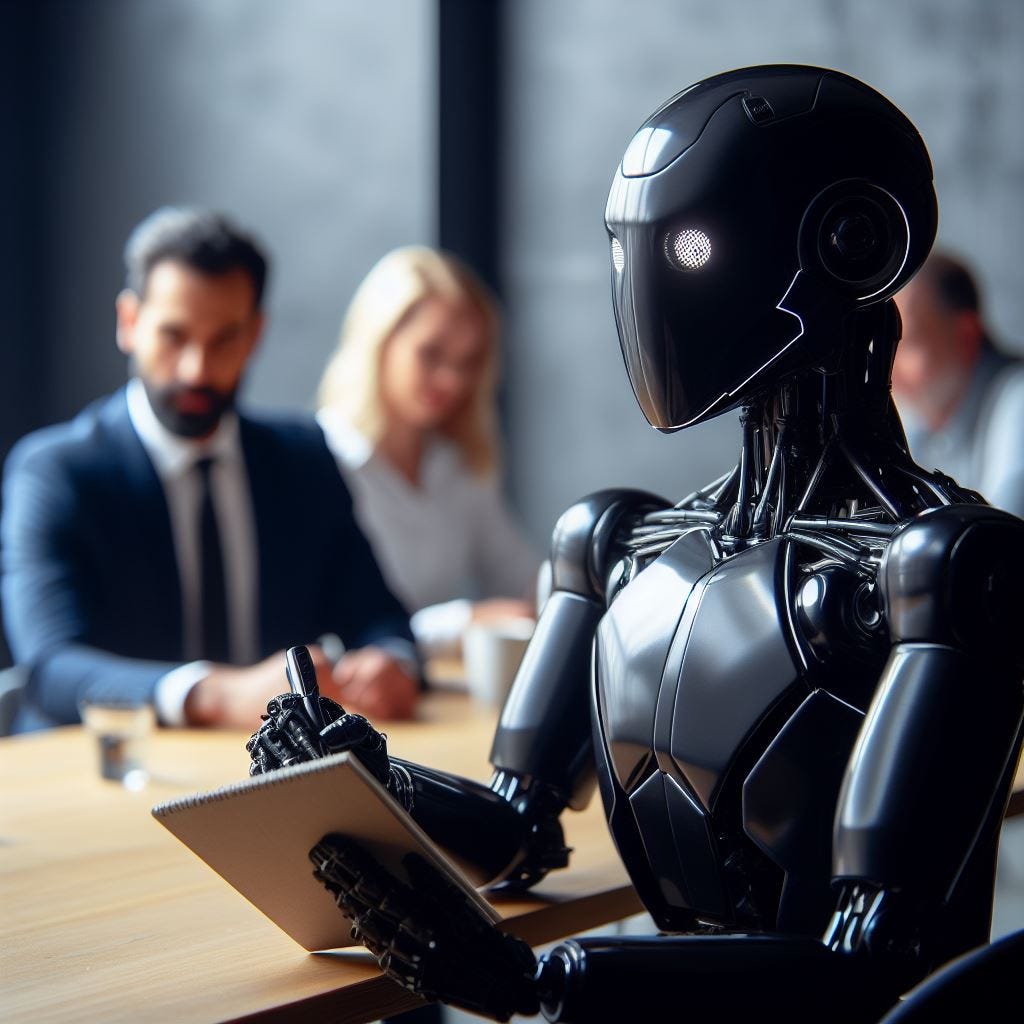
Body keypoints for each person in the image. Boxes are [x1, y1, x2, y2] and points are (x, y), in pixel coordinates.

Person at [249, 66, 1024, 1022]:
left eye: (690, 249)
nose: (648, 288)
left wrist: (535, 985)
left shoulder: (946, 571)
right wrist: (364, 775)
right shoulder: (616, 542)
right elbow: (516, 831)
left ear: (849, 242)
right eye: (631, 252)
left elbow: (876, 963)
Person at [1, 207, 421, 733]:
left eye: (224, 339)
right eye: (174, 336)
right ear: (129, 323)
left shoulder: (304, 458)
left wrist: (392, 661)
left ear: (255, 335)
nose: (196, 368)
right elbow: (51, 667)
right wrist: (213, 695)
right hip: (105, 774)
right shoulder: (56, 471)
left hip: (275, 777)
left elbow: (379, 613)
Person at [315, 246, 542, 659]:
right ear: (380, 342)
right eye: (431, 354)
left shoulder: (456, 468)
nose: (452, 381)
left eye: (468, 361)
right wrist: (460, 623)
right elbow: (329, 636)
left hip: (431, 704)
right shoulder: (319, 463)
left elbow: (522, 580)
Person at [892, 250, 1024, 517]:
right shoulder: (921, 419)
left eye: (909, 344)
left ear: (965, 336)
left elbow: (1006, 540)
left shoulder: (1017, 400)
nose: (892, 370)